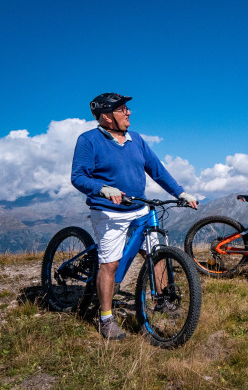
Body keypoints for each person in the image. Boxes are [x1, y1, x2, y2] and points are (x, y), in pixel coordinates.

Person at [71, 93, 198, 340]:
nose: (129, 113)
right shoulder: (89, 140)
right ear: (107, 116)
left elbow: (157, 170)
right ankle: (106, 319)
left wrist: (180, 193)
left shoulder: (136, 139)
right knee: (110, 264)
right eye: (123, 109)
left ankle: (162, 300)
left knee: (156, 253)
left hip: (139, 208)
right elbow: (78, 176)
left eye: (127, 109)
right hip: (109, 212)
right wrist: (102, 188)